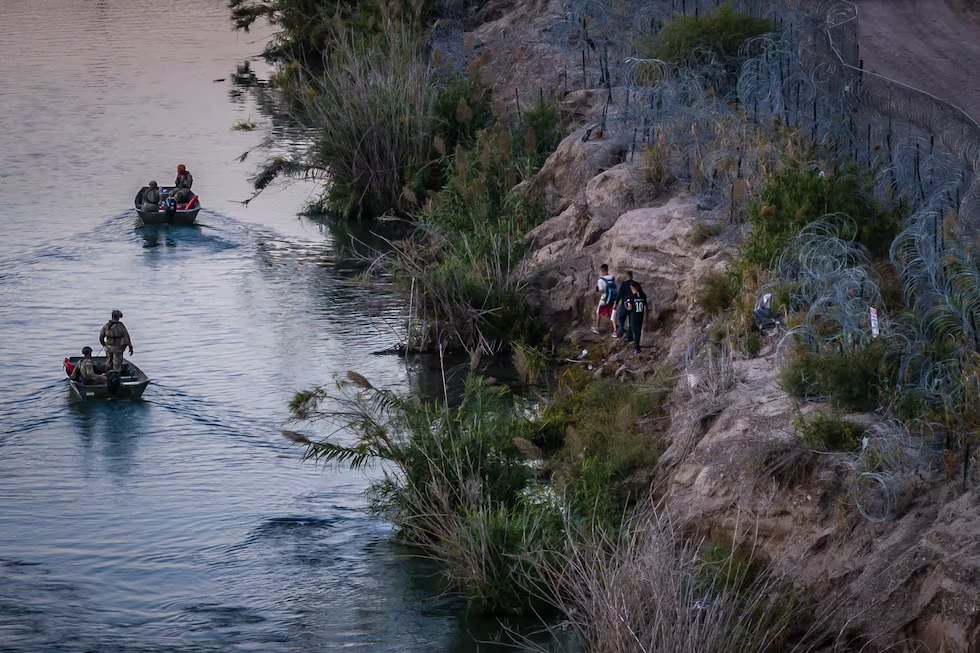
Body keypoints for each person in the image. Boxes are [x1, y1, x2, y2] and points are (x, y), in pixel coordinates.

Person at [591, 263, 617, 335]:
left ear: (602, 271)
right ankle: (614, 330)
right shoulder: (612, 278)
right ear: (607, 270)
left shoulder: (601, 280)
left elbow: (602, 290)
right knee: (612, 313)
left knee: (598, 312)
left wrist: (598, 290)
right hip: (613, 299)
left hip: (604, 298)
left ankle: (596, 328)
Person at [626, 280, 648, 354]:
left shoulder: (631, 296)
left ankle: (637, 348)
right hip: (640, 315)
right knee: (638, 331)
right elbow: (646, 306)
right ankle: (637, 346)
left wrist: (626, 305)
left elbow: (630, 308)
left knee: (634, 332)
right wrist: (646, 316)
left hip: (634, 316)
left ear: (632, 288)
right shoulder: (643, 295)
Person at [614, 270, 635, 339]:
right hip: (633, 304)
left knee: (621, 317)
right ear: (632, 276)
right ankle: (630, 336)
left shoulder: (624, 284)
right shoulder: (635, 284)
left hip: (625, 304)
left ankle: (621, 329)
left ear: (626, 276)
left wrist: (616, 303)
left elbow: (619, 294)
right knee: (631, 320)